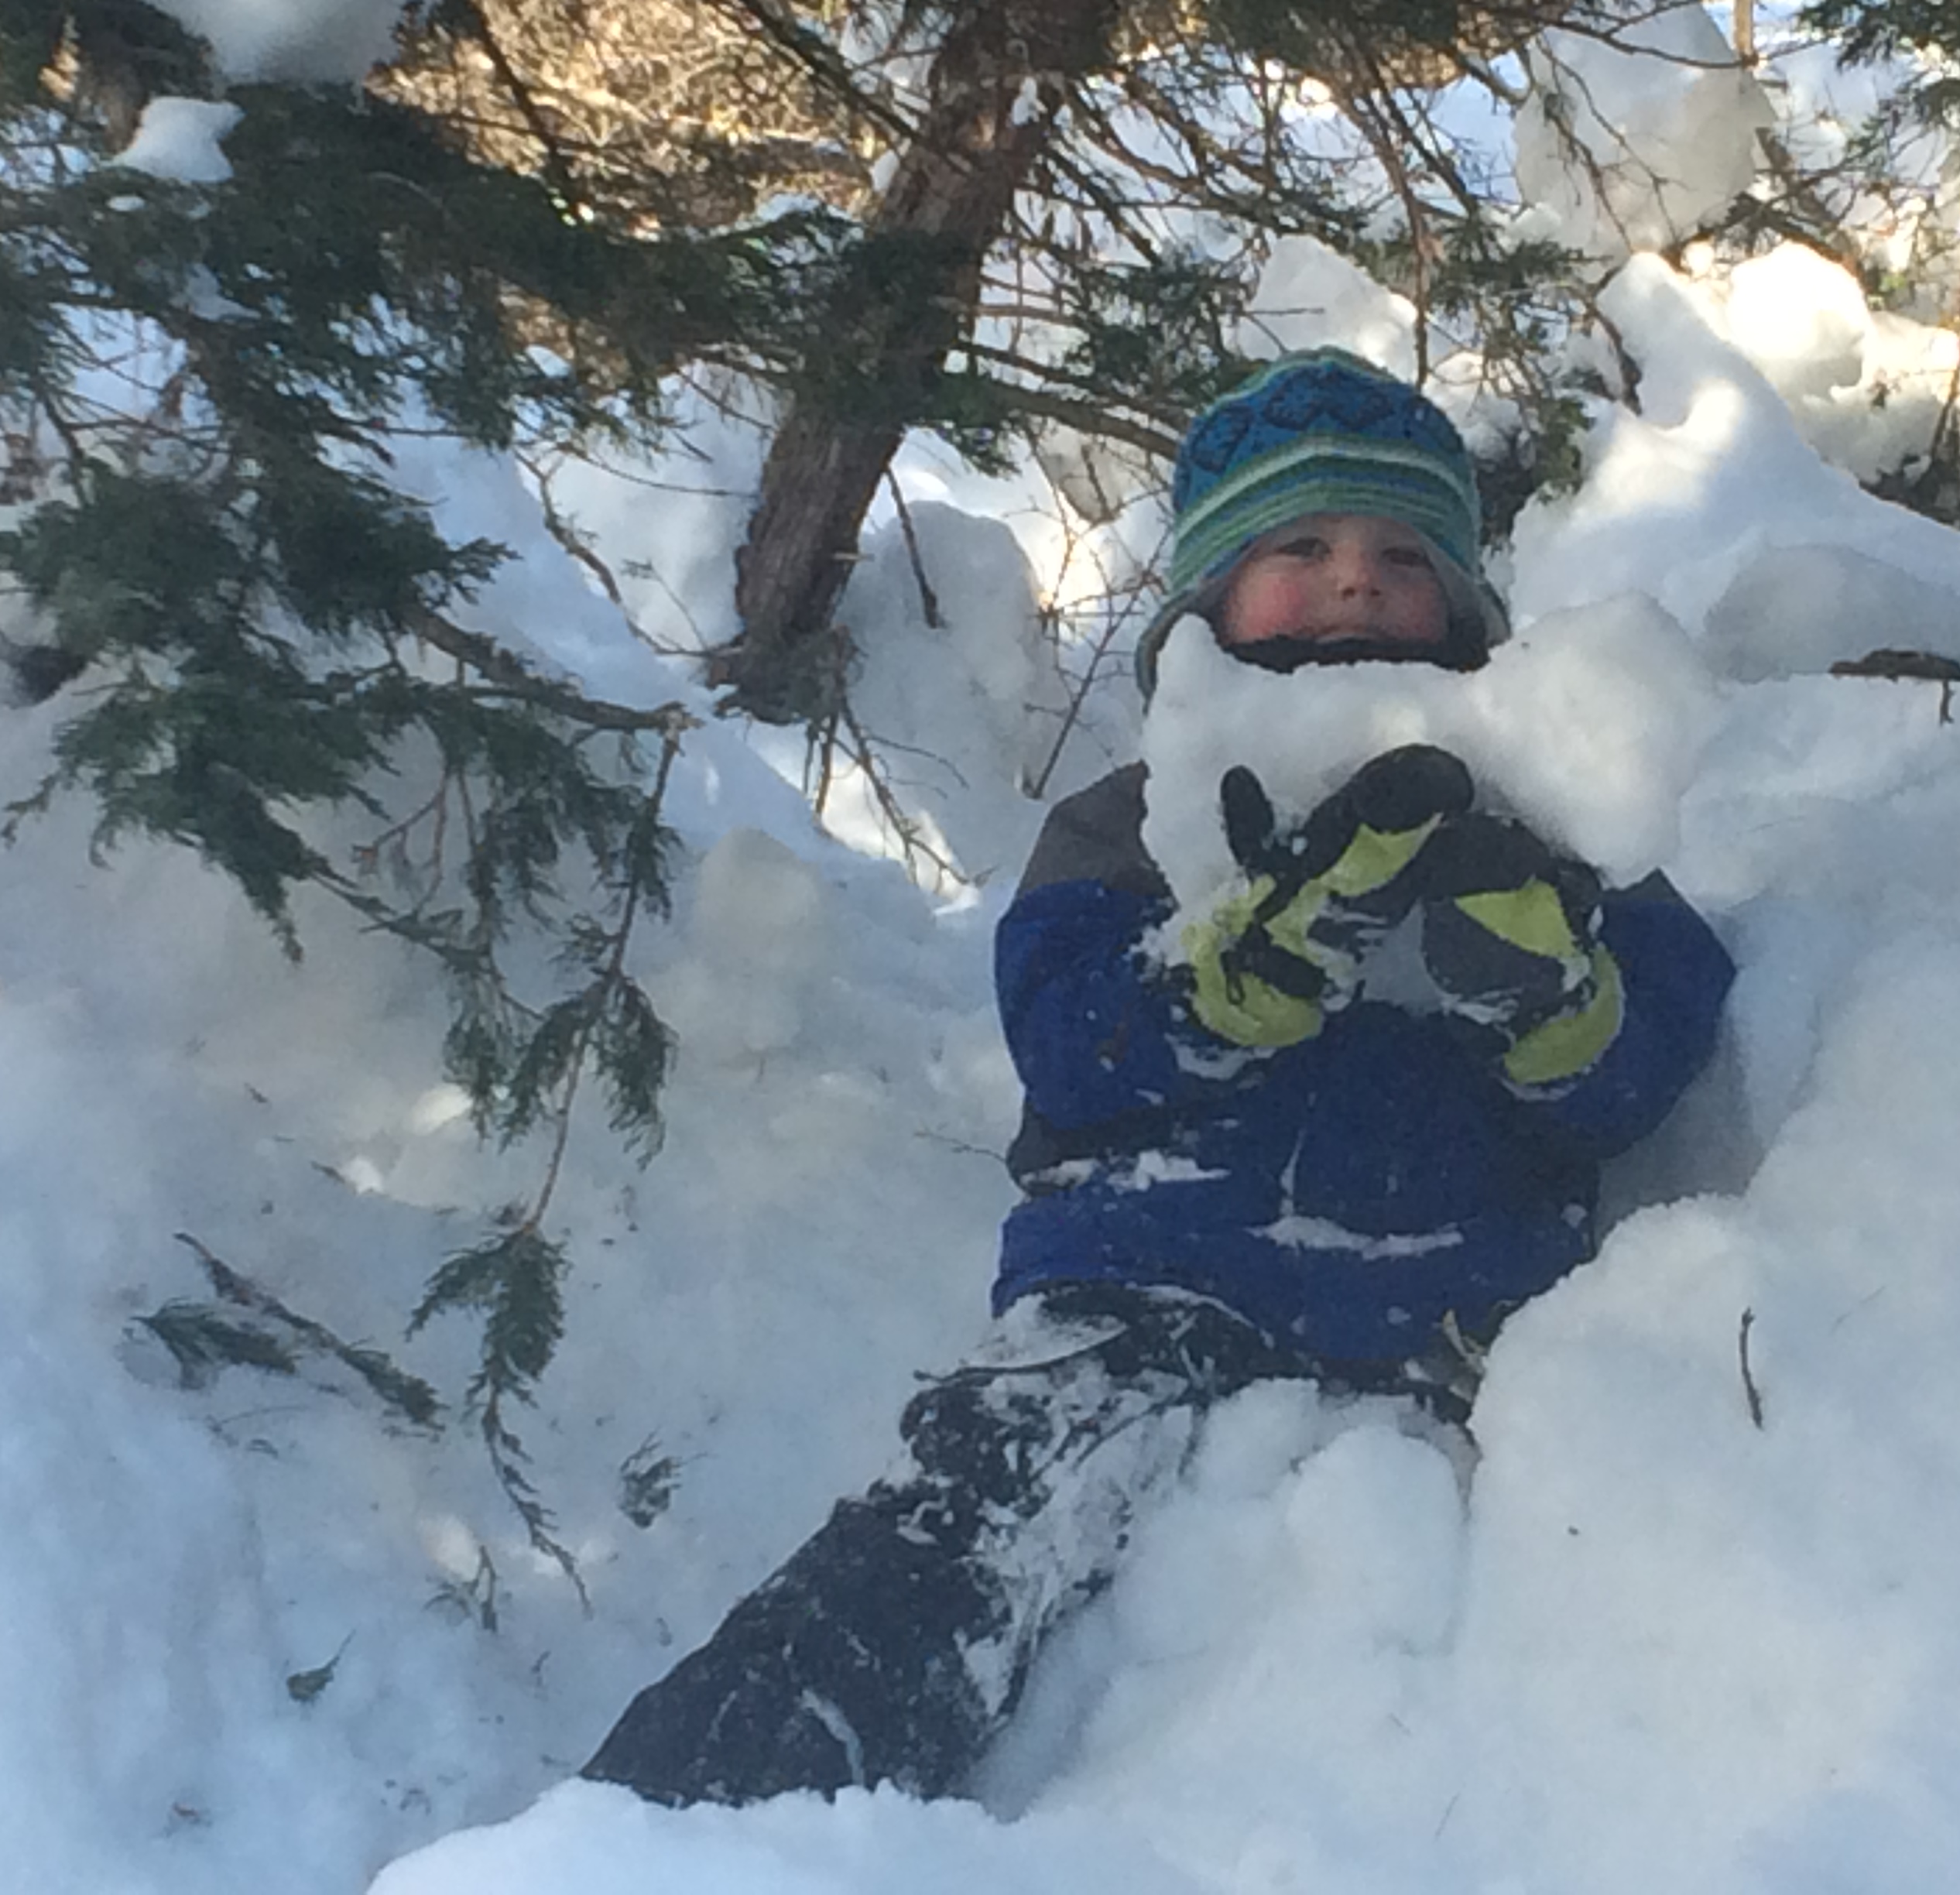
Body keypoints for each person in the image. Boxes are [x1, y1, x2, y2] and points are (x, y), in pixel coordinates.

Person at [581, 350, 1737, 1808]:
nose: (1354, 584)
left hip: (1461, 1322)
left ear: (1463, 606)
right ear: (1206, 603)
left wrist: (1559, 1000)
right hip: (1141, 1291)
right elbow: (1069, 1044)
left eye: (1398, 554)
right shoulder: (1133, 821)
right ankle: (681, 1823)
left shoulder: (1542, 813)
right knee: (950, 1542)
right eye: (1300, 549)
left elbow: (1650, 1063)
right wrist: (1217, 986)